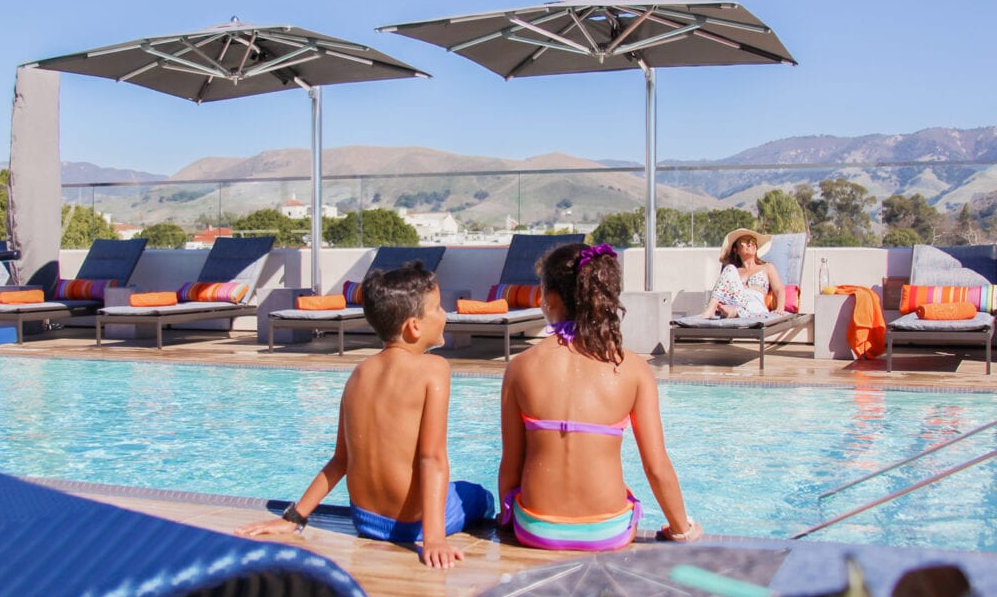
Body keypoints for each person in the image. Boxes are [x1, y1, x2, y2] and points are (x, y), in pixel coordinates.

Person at [236, 262, 494, 568]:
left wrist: (294, 518)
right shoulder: (434, 369)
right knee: (478, 496)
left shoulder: (359, 374)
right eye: (438, 308)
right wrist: (434, 538)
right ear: (414, 326)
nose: (444, 314)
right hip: (413, 526)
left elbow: (340, 461)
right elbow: (432, 459)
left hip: (365, 520)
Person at [498, 242, 701, 550]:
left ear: (550, 299)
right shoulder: (632, 369)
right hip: (607, 531)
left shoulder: (521, 367)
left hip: (534, 528)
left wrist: (506, 520)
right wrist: (681, 529)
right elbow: (656, 467)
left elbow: (510, 467)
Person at [699, 228, 786, 319]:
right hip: (736, 301)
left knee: (753, 307)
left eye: (753, 241)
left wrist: (780, 308)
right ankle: (711, 309)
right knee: (729, 268)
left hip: (755, 303)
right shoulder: (733, 272)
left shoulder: (767, 267)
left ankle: (734, 312)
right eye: (745, 242)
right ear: (736, 250)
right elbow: (721, 290)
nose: (750, 244)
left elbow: (779, 289)